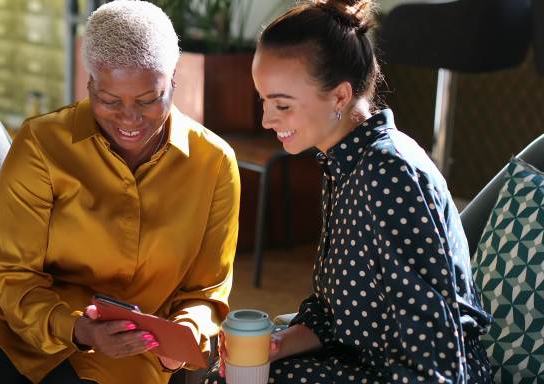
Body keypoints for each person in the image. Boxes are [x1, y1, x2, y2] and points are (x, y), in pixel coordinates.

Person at [0, 1, 240, 383]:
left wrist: (188, 331)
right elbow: (15, 275)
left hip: (129, 350)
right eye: (108, 100)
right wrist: (78, 329)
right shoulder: (41, 144)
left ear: (174, 79)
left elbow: (207, 292)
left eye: (148, 99)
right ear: (89, 83)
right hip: (11, 323)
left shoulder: (215, 163)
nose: (129, 118)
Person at [204, 0, 493, 383]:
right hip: (366, 362)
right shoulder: (344, 164)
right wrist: (279, 343)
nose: (266, 119)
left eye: (282, 105)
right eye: (264, 100)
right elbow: (340, 311)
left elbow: (433, 359)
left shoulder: (390, 174)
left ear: (340, 96)